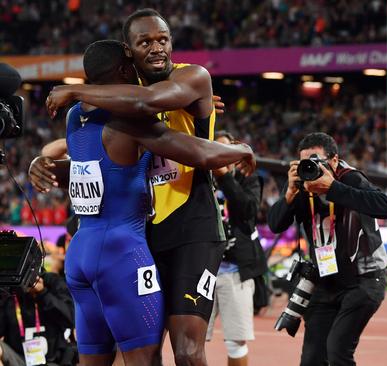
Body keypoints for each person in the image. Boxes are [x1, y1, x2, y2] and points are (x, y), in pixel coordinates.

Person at [38, 39, 254, 365]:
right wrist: (243, 151)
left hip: (80, 253)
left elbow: (96, 164)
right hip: (122, 253)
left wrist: (38, 163)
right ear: (126, 70)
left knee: (92, 361)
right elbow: (199, 152)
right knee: (144, 358)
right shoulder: (129, 119)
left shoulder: (74, 117)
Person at [267, 132, 387, 366]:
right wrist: (290, 193)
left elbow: (384, 207)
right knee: (312, 358)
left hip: (363, 280)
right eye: (306, 162)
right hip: (326, 281)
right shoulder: (302, 184)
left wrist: (332, 187)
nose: (311, 168)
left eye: (317, 162)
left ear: (334, 161)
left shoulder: (350, 178)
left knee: (337, 350)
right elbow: (275, 224)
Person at [205, 131, 268, 366]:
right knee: (191, 338)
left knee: (236, 342)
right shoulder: (199, 178)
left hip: (235, 270)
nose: (220, 155)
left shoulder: (247, 178)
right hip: (203, 270)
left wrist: (225, 178)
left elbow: (248, 211)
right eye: (214, 150)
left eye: (225, 150)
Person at [0, 273, 75, 366]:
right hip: (19, 360)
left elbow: (70, 319)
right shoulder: (9, 287)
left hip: (53, 360)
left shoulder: (51, 281)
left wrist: (43, 293)